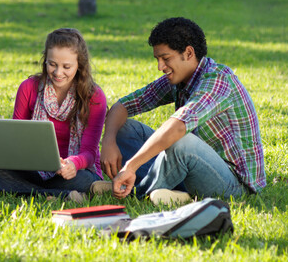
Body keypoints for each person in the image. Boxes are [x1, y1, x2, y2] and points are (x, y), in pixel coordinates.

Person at [98, 17, 266, 205]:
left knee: (181, 142)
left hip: (234, 186)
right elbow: (123, 105)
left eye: (166, 58)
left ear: (188, 53)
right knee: (126, 128)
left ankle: (132, 190)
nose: (160, 67)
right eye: (158, 59)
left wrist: (131, 165)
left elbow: (177, 127)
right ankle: (168, 192)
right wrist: (109, 140)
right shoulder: (179, 79)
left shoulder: (218, 81)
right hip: (194, 168)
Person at [0, 28, 107, 203]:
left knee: (86, 180)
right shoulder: (29, 88)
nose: (58, 73)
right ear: (45, 61)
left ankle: (6, 191)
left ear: (79, 65)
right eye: (52, 64)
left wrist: (73, 164)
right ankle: (58, 195)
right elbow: (17, 138)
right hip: (34, 169)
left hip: (73, 171)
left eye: (66, 67)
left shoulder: (94, 97)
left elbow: (89, 152)